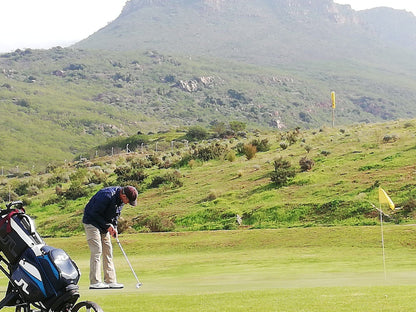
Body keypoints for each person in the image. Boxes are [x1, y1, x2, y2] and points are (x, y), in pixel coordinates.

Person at [82, 185, 138, 289]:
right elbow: (94, 214)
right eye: (128, 201)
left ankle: (110, 281)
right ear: (123, 195)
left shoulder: (121, 200)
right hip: (91, 222)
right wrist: (108, 226)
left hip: (104, 225)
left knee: (108, 251)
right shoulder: (106, 195)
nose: (127, 203)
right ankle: (95, 282)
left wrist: (114, 227)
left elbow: (115, 215)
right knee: (97, 250)